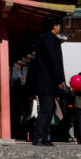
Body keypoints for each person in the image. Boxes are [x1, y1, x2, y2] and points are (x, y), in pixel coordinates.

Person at [27, 14, 66, 146]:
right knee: (46, 109)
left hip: (45, 79)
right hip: (48, 80)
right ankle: (39, 137)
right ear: (54, 26)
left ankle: (45, 137)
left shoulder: (43, 38)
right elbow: (54, 60)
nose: (60, 27)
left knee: (49, 109)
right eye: (59, 24)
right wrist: (60, 78)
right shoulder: (50, 39)